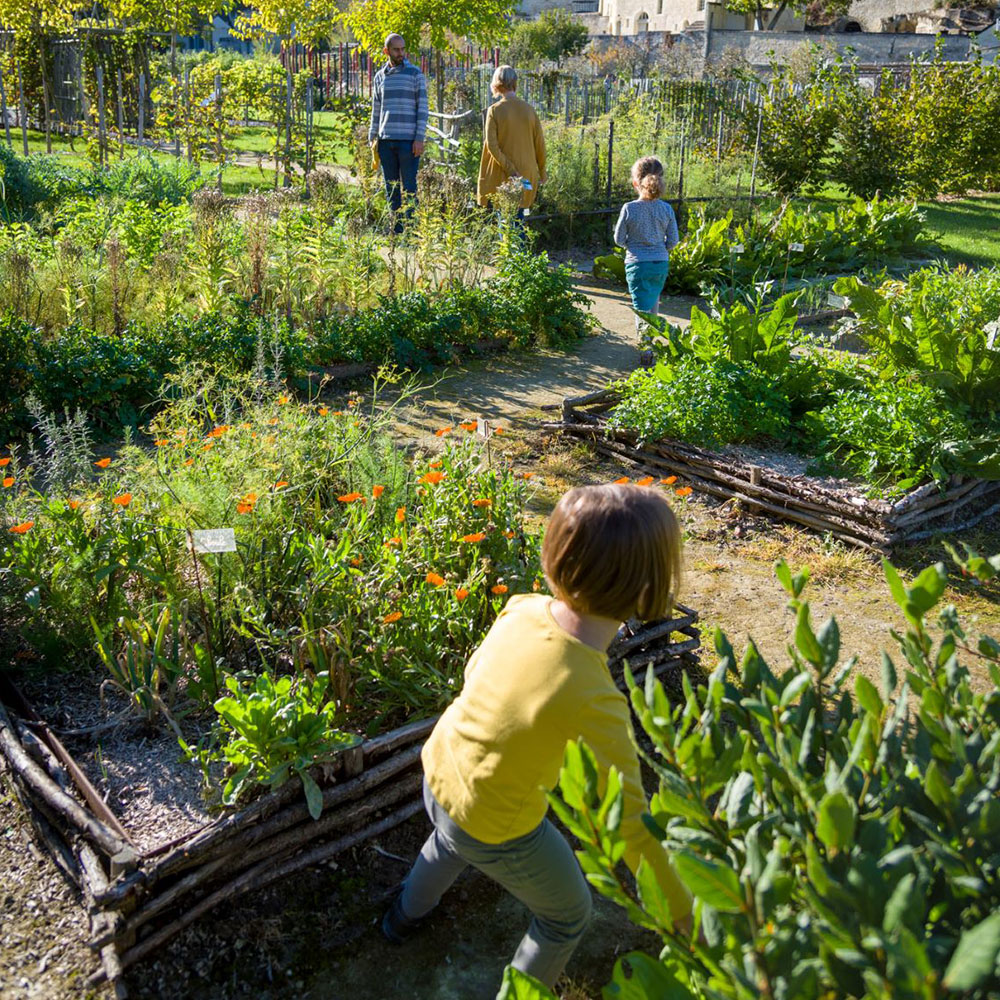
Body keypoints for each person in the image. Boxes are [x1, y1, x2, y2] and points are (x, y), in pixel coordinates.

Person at [381, 484, 692, 994]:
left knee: (447, 842)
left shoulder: (523, 609)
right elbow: (631, 825)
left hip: (440, 769)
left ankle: (400, 918)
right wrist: (681, 911)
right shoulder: (595, 697)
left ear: (557, 555)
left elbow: (475, 673)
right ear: (647, 590)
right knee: (567, 916)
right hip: (495, 823)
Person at [368, 33, 428, 231]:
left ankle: (410, 230)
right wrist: (372, 135)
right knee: (391, 188)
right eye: (396, 49)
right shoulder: (379, 77)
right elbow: (376, 109)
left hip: (408, 141)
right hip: (386, 141)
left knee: (410, 188)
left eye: (403, 49)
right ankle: (396, 230)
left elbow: (423, 109)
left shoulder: (415, 75)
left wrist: (419, 138)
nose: (400, 53)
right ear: (386, 51)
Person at [613, 156, 680, 332]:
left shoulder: (629, 208)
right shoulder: (666, 209)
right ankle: (651, 342)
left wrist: (633, 246)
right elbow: (673, 241)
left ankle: (646, 348)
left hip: (637, 264)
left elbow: (618, 239)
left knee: (641, 307)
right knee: (653, 301)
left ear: (636, 182)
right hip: (660, 264)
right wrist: (659, 249)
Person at [477, 65, 546, 222]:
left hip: (504, 175)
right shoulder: (529, 110)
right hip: (527, 175)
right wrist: (542, 172)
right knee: (520, 217)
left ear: (496, 84)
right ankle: (519, 247)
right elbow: (539, 144)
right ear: (515, 82)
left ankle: (512, 246)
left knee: (506, 221)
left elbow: (492, 146)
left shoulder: (494, 110)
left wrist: (511, 169)